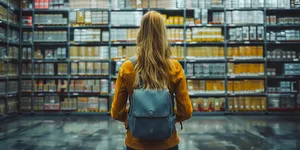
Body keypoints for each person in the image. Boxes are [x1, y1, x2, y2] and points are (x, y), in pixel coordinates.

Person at [110, 11, 193, 150]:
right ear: (163, 34)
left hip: (135, 143)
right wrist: (165, 116)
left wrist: (136, 118)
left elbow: (116, 112)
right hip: (168, 143)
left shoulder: (127, 67)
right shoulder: (175, 67)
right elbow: (186, 111)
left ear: (140, 33)